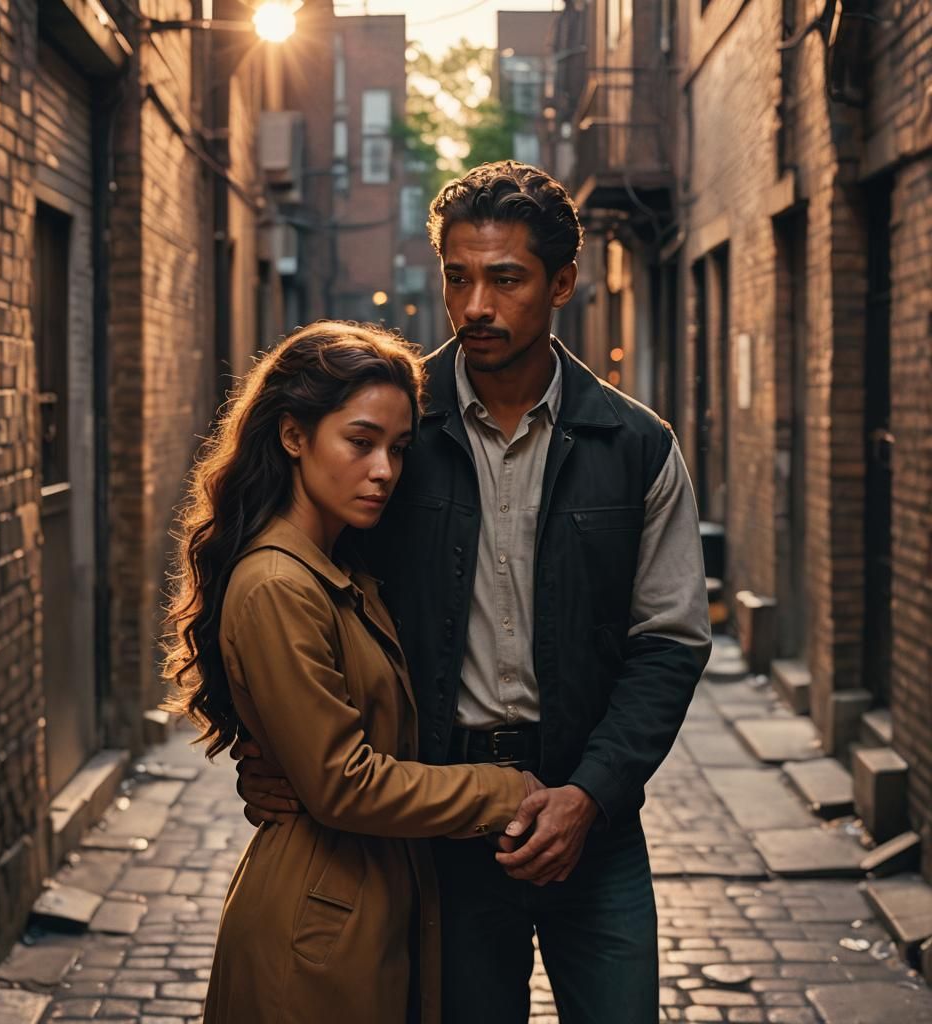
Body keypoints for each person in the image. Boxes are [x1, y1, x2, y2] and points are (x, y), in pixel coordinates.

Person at [236, 163, 712, 1023]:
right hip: (437, 830)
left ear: (562, 283)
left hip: (591, 820)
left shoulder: (636, 446)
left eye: (505, 278)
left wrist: (591, 794)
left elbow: (670, 643)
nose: (475, 305)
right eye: (459, 276)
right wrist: (264, 748)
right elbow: (286, 583)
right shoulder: (395, 433)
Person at [162, 322, 537, 1024]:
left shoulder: (340, 571)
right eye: (359, 443)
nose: (384, 471)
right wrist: (503, 789)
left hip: (367, 907)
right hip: (315, 929)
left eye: (397, 449)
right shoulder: (278, 584)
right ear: (294, 435)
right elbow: (343, 782)